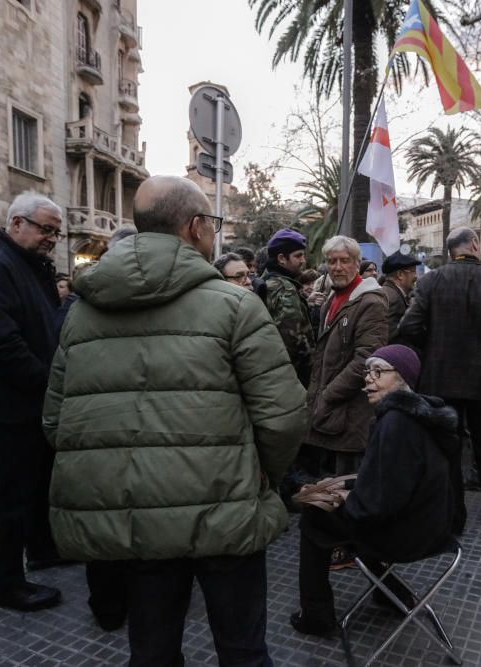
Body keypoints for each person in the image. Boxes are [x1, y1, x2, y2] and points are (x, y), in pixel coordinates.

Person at [44, 175, 307, 666]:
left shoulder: (82, 314)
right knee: (243, 649)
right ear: (196, 227)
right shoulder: (235, 305)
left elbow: (57, 420)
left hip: (137, 518)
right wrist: (262, 473)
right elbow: (283, 416)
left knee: (151, 649)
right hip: (227, 510)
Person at [291, 345, 457, 636]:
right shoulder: (415, 414)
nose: (369, 379)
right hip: (429, 525)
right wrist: (341, 487)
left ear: (402, 377)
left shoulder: (396, 423)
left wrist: (337, 500)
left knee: (314, 517)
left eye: (379, 372)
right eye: (368, 371)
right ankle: (391, 594)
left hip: (408, 535)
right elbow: (386, 482)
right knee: (332, 503)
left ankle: (316, 617)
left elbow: (376, 505)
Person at [0, 192, 64, 611]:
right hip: (10, 404)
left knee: (36, 484)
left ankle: (41, 550)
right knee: (8, 496)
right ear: (16, 223)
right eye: (45, 228)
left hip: (32, 402)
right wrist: (49, 382)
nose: (51, 238)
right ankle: (5, 585)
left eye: (56, 232)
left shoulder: (26, 265)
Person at [398, 226, 481, 535]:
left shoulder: (430, 281)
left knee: (447, 451)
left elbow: (408, 327)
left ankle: (453, 520)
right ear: (474, 244)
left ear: (449, 250)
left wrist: (433, 345)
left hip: (439, 380)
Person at [301, 236, 388, 477]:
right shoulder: (333, 298)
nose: (337, 267)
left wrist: (327, 395)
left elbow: (366, 359)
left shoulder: (370, 301)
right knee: (326, 493)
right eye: (331, 261)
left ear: (357, 263)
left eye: (344, 261)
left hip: (349, 416)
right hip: (328, 416)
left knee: (345, 494)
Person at [261, 228, 314, 388]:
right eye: (298, 256)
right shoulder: (285, 289)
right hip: (291, 380)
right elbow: (293, 340)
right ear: (282, 258)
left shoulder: (266, 281)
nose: (303, 260)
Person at [380, 251, 420, 342]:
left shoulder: (390, 293)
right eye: (413, 271)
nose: (416, 276)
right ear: (400, 275)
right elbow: (392, 338)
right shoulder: (393, 298)